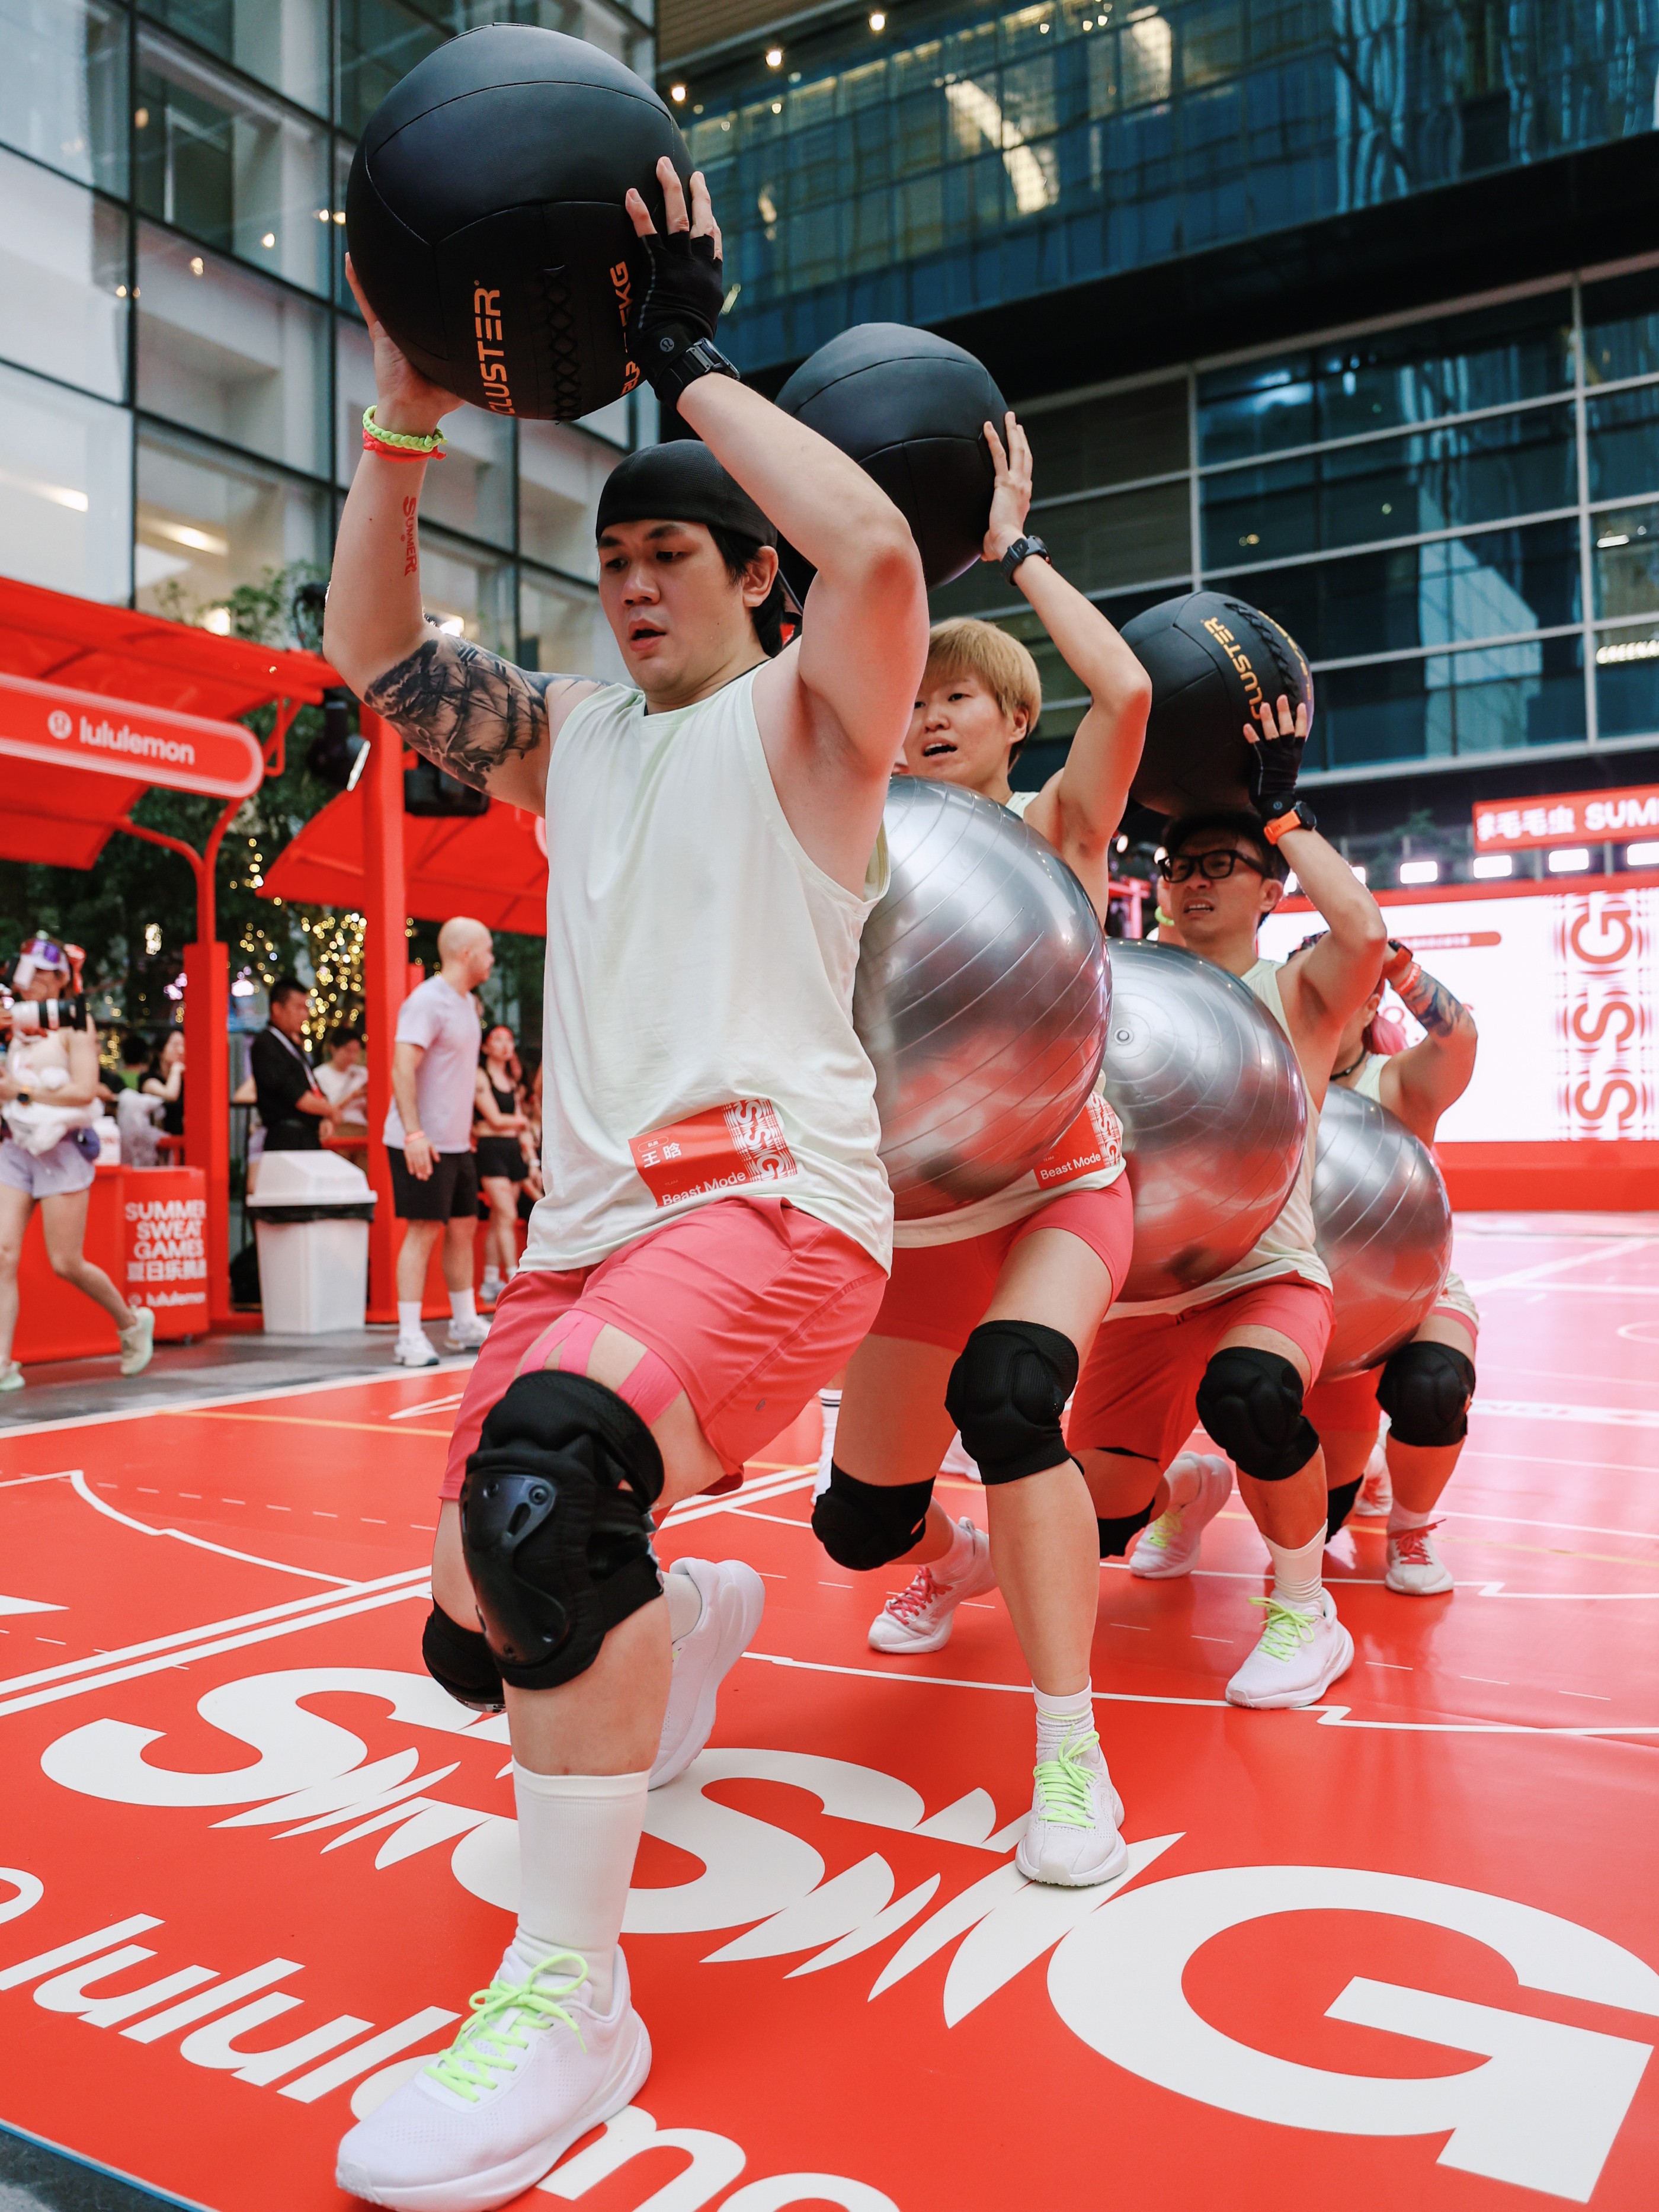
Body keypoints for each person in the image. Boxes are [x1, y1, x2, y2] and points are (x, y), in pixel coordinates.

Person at [325, 155, 925, 2210]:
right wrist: (407, 406)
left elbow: (874, 548)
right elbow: (375, 643)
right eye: (615, 559)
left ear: (756, 575)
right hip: (582, 1242)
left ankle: (571, 1997)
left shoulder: (814, 718)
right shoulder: (570, 736)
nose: (636, 582)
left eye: (674, 549)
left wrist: (681, 356)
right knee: (480, 1627)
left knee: (547, 1496)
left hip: (772, 1203)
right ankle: (703, 1608)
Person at [812, 413, 1150, 1888]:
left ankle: (1069, 1751)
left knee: (1013, 1402)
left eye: (961, 695)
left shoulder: (1058, 829)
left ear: (1014, 718)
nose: (932, 716)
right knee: (855, 1525)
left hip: (1055, 1192)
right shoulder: (850, 836)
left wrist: (1012, 550)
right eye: (917, 696)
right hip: (912, 1221)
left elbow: (1126, 691)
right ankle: (950, 1560)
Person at [1068, 732, 1388, 1711]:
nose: (1192, 881)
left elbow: (1365, 933)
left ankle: (1302, 1611)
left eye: (1219, 865)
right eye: (1177, 866)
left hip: (1263, 1275)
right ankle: (1185, 1494)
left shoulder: (1297, 994)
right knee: (1096, 1522)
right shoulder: (1118, 985)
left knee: (1251, 1398)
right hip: (1141, 1291)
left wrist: (1282, 815)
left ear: (1270, 890)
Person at [1295, 937, 1479, 1595]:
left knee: (1433, 1386)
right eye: (1310, 982)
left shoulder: (1398, 1081)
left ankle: (1410, 1528)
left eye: (1342, 982)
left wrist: (1398, 967)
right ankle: (1366, 1467)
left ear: (1371, 1001)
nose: (1322, 996)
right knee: (1315, 1522)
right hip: (1319, 1307)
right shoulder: (1270, 1079)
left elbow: (1459, 1041)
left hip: (1410, 1293)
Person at [0, 936, 154, 1391]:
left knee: (66, 1262)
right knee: (2, 1253)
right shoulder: (14, 1023)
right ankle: (2, 1362)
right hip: (15, 1147)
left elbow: (85, 1090)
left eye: (43, 972)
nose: (32, 980)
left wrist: (20, 1093)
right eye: (28, 971)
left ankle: (131, 1323)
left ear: (61, 979)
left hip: (62, 1148)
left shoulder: (75, 1022)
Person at [385, 918, 494, 1367]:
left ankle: (463, 1322)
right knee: (424, 1230)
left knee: (464, 1226)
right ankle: (408, 1337)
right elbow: (401, 1067)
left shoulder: (467, 1004)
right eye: (488, 950)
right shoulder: (427, 1001)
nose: (492, 959)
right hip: (420, 1140)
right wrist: (414, 1133)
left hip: (455, 1143)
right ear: (466, 954)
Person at [475, 1023, 530, 1308]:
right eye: (498, 1040)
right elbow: (495, 1120)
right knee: (508, 1214)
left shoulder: (511, 1081)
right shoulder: (480, 1076)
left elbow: (518, 1123)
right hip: (491, 1150)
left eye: (509, 1039)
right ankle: (514, 1279)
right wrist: (519, 1123)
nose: (505, 1045)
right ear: (486, 1047)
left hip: (512, 1150)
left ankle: (489, 1280)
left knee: (500, 1217)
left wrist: (531, 1156)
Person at [249, 979, 333, 1154]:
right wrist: (332, 1111)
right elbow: (297, 1096)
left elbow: (311, 1085)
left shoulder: (293, 1044)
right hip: (285, 1137)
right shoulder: (267, 1044)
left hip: (307, 1136)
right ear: (277, 1009)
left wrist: (324, 1115)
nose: (304, 1015)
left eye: (306, 1008)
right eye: (298, 1008)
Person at [315, 1025, 370, 1131]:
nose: (352, 1057)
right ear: (333, 1049)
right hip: (337, 1128)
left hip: (363, 1127)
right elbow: (324, 1110)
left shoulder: (362, 1073)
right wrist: (354, 1095)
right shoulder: (319, 1075)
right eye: (348, 1051)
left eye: (356, 1052)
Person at [143, 1029, 185, 1146]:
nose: (181, 1050)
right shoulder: (148, 1079)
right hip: (158, 1145)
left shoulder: (187, 1080)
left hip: (184, 1142)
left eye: (184, 1045)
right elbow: (170, 1095)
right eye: (175, 1045)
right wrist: (176, 1070)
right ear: (160, 1051)